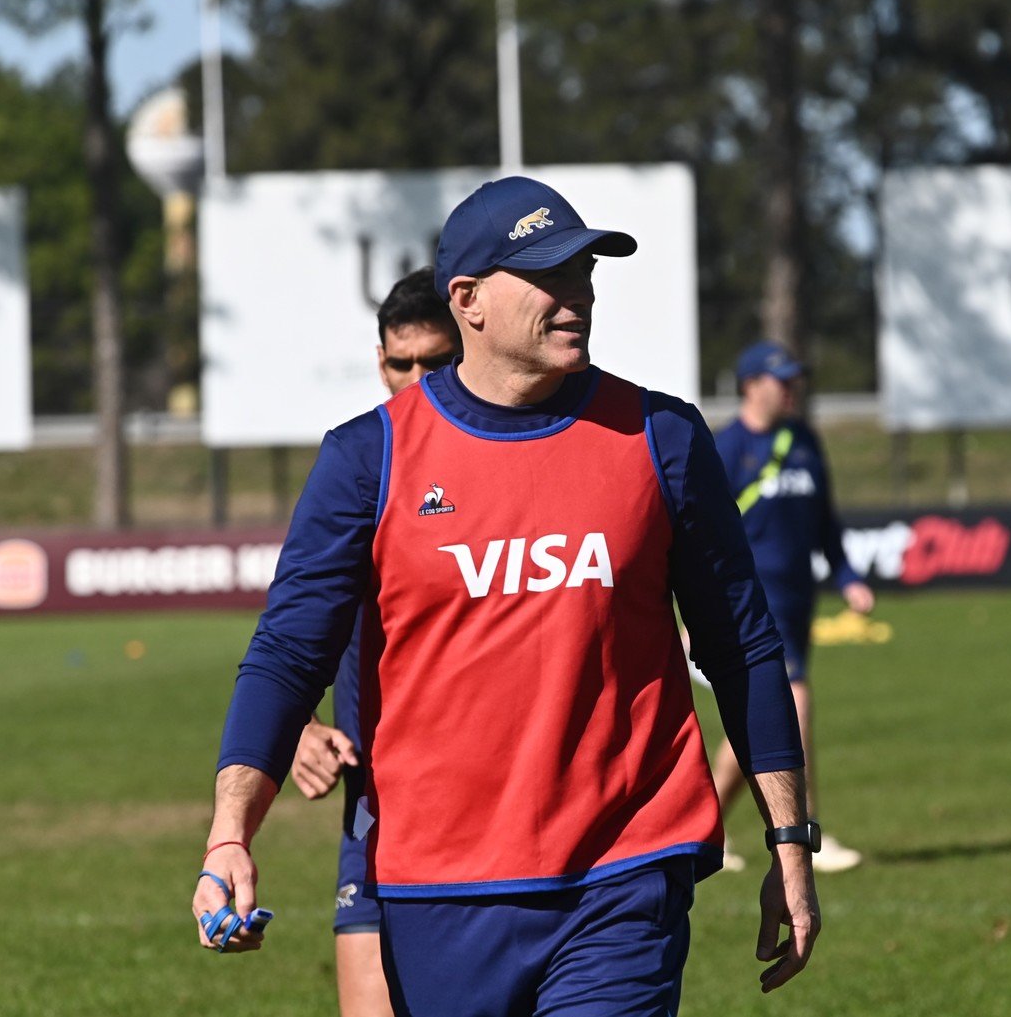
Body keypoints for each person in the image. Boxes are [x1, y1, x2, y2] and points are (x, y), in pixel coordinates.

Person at [191, 175, 822, 1016]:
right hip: (437, 884)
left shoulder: (660, 438)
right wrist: (231, 830)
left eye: (584, 272)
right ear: (469, 299)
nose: (578, 294)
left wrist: (787, 836)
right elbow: (286, 653)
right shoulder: (366, 460)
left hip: (625, 871)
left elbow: (740, 644)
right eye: (549, 276)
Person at [288, 265, 461, 1017]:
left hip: (514, 810)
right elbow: (294, 636)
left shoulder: (526, 465)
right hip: (383, 810)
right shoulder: (364, 466)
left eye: (436, 361)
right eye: (401, 363)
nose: (415, 379)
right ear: (380, 361)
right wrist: (300, 725)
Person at [709, 340, 875, 874]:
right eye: (782, 381)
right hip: (751, 604)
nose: (791, 389)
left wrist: (847, 577)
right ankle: (805, 837)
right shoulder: (726, 448)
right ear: (749, 385)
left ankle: (701, 825)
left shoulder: (803, 441)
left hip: (799, 603)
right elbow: (703, 534)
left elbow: (825, 522)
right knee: (794, 708)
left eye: (795, 381)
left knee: (759, 724)